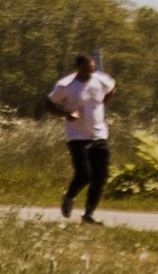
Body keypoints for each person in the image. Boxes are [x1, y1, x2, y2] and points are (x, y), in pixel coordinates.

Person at [44, 47, 119, 223]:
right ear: (78, 68)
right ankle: (69, 196)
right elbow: (49, 104)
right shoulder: (66, 85)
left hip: (99, 134)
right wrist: (66, 115)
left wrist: (101, 105)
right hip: (77, 136)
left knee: (100, 178)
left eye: (92, 69)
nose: (89, 73)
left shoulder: (101, 80)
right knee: (85, 174)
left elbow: (111, 91)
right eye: (86, 70)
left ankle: (88, 215)